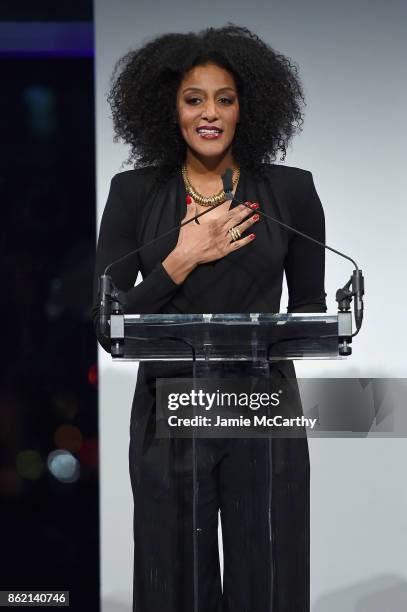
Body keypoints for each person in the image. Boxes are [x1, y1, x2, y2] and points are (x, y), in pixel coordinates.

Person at [92, 24, 327, 612]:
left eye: (225, 98)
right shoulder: (134, 193)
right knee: (174, 582)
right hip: (170, 406)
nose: (210, 113)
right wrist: (182, 259)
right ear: (169, 109)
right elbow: (106, 319)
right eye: (194, 99)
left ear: (247, 107)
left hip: (262, 406)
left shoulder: (292, 193)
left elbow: (309, 316)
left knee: (267, 580)